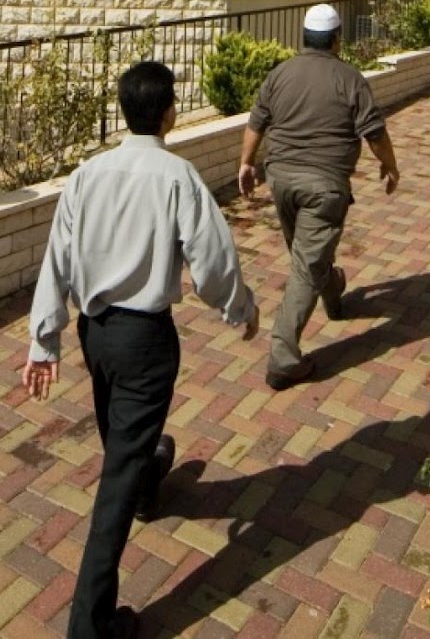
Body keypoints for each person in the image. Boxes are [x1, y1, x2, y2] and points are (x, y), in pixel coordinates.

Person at [23, 59, 259, 639]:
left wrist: (44, 340)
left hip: (95, 335)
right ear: (170, 113)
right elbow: (212, 261)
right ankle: (90, 624)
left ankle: (147, 478)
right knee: (116, 479)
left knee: (122, 441)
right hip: (145, 342)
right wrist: (241, 308)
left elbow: (57, 257)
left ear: (125, 111)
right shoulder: (177, 177)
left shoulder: (88, 174)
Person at [237, 3, 400, 391]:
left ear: (305, 37)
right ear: (337, 38)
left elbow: (256, 122)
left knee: (307, 257)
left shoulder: (280, 73)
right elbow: (375, 132)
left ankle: (333, 289)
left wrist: (245, 164)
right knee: (306, 266)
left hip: (280, 180)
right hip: (324, 187)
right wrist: (391, 166)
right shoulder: (349, 78)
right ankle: (283, 358)